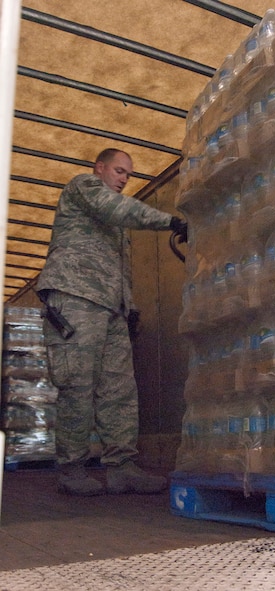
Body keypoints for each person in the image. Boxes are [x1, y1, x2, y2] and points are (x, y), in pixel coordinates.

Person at [36, 147, 187, 496]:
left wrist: (129, 307)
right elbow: (116, 207)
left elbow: (118, 269)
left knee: (119, 390)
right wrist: (170, 220)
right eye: (119, 171)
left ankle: (122, 468)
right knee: (77, 385)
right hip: (74, 298)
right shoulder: (84, 188)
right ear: (99, 167)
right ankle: (71, 470)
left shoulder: (116, 224)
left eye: (127, 175)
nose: (123, 179)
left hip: (111, 309)